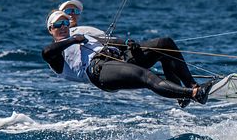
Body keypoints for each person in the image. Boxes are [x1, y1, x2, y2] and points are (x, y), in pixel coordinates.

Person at [42, 10, 215, 106]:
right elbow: (46, 52)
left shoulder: (82, 35)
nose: (63, 27)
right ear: (51, 29)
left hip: (120, 58)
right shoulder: (57, 55)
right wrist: (72, 39)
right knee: (146, 76)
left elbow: (110, 41)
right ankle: (194, 94)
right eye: (58, 25)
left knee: (165, 43)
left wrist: (127, 43)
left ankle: (190, 87)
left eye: (65, 23)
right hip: (99, 71)